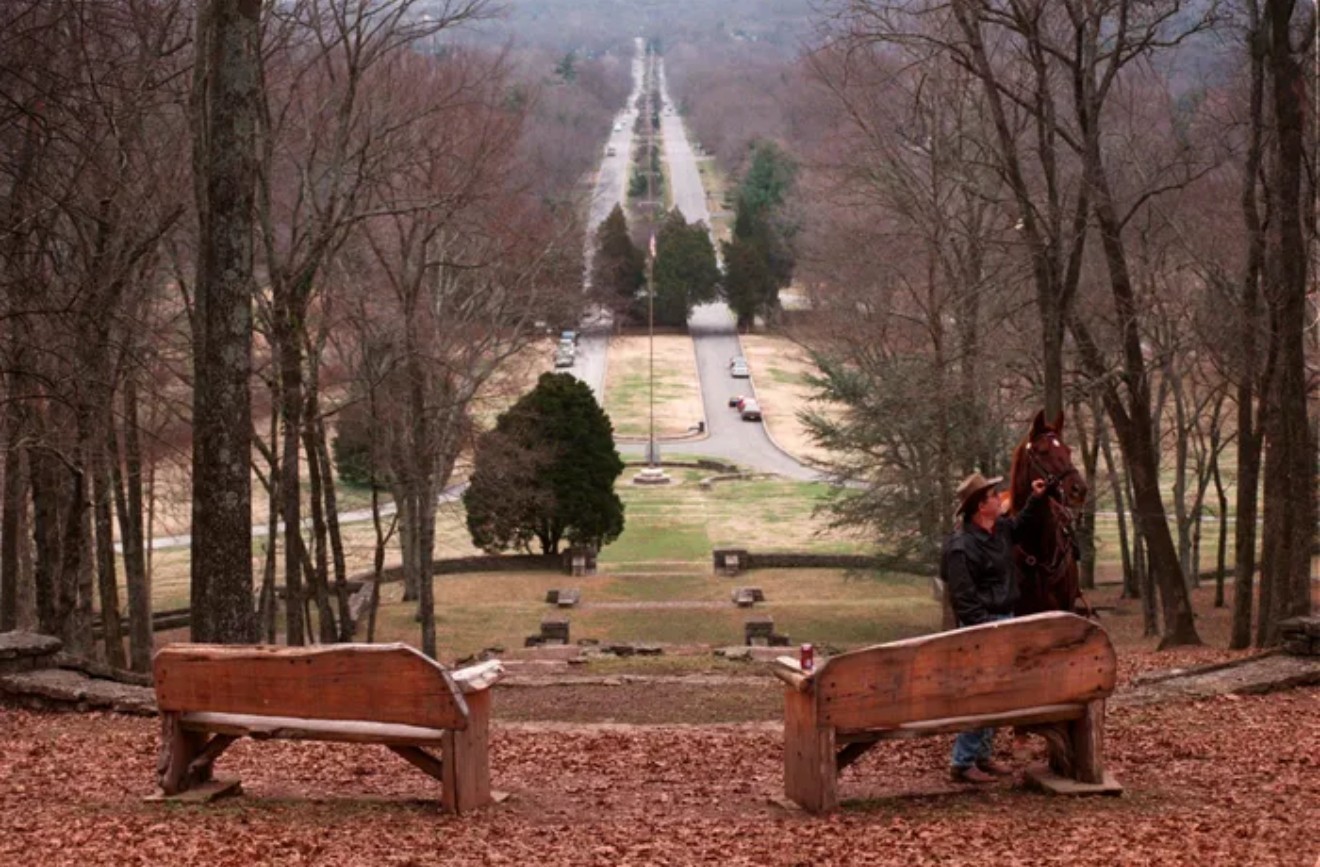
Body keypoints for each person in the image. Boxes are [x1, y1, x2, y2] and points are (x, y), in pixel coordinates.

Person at [940, 471, 1047, 784]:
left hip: (1006, 618)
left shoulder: (999, 529)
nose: (1000, 499)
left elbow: (1020, 526)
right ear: (979, 506)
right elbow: (964, 599)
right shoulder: (960, 547)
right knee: (982, 694)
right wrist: (988, 630)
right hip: (981, 628)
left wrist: (1036, 499)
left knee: (998, 696)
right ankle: (962, 761)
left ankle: (981, 756)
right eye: (992, 496)